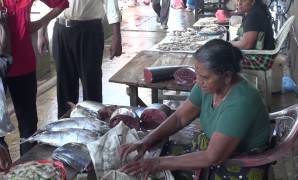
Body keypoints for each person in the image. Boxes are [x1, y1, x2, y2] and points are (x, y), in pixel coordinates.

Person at [119, 39, 271, 179]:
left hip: (239, 163)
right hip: (213, 149)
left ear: (227, 76)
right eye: (197, 74)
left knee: (161, 166)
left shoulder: (241, 102)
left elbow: (212, 157)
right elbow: (179, 118)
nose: (198, 81)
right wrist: (146, 141)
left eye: (205, 77)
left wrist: (157, 163)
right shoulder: (207, 87)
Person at [0, 0, 68, 156]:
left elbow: (62, 3)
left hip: (23, 66)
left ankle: (28, 169)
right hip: (1, 69)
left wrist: (40, 23)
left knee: (28, 127)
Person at [52, 0, 122, 118]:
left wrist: (117, 36)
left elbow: (111, 3)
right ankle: (65, 128)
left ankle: (94, 129)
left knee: (91, 84)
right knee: (64, 86)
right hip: (61, 28)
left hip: (89, 31)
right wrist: (41, 31)